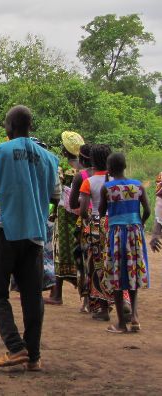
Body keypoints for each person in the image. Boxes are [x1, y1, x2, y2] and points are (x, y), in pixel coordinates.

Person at [0, 106, 60, 371]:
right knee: (32, 295)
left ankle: (16, 348)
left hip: (5, 229)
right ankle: (34, 357)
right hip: (35, 232)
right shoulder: (49, 158)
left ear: (9, 126)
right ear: (30, 125)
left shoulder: (0, 152)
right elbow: (55, 197)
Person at [98, 152, 151, 333]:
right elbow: (147, 210)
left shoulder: (107, 188)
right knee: (133, 273)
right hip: (135, 232)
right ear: (125, 166)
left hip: (116, 234)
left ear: (109, 169)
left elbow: (101, 212)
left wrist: (107, 183)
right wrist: (140, 223)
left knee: (117, 276)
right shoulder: (137, 185)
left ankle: (121, 323)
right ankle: (134, 317)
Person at [47, 131, 85, 305]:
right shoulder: (85, 169)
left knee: (60, 251)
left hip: (63, 213)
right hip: (81, 213)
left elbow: (56, 191)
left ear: (65, 150)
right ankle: (86, 296)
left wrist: (53, 211)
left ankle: (57, 294)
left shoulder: (62, 167)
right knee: (81, 250)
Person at [79, 144, 114, 320]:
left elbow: (83, 210)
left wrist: (88, 220)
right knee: (114, 263)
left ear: (92, 161)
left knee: (97, 266)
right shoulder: (115, 180)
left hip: (96, 225)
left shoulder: (89, 182)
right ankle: (124, 302)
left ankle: (103, 308)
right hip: (114, 224)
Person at [69, 143, 94, 313]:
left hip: (85, 221)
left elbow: (72, 203)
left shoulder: (81, 176)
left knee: (83, 262)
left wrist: (83, 202)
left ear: (82, 159)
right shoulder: (108, 175)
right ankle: (100, 300)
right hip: (105, 221)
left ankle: (85, 301)